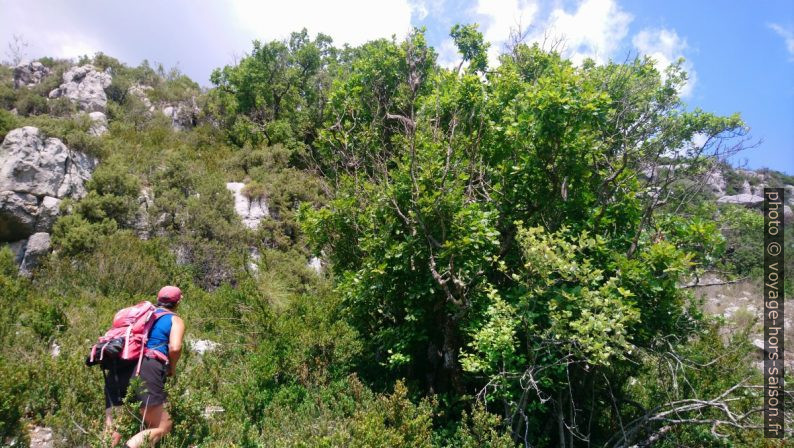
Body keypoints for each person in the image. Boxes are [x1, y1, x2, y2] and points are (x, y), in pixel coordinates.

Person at [104, 286, 186, 448]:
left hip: (117, 364)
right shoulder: (174, 319)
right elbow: (175, 348)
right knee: (161, 427)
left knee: (113, 428)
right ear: (179, 301)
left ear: (158, 299)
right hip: (147, 367)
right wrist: (172, 368)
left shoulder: (142, 315)